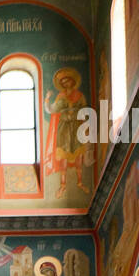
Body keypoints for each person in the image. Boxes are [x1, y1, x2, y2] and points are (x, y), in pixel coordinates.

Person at [44, 69, 88, 197]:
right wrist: (47, 99)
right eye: (62, 82)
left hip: (76, 127)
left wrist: (85, 127)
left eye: (67, 80)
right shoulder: (60, 97)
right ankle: (63, 185)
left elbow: (84, 111)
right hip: (63, 129)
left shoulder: (80, 95)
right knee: (63, 156)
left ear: (72, 81)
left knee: (78, 156)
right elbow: (52, 110)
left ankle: (80, 182)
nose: (65, 83)